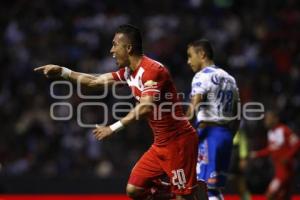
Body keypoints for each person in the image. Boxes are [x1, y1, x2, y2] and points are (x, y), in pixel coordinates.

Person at [34, 24, 207, 200]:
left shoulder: (153, 71)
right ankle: (182, 188)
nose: (111, 50)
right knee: (134, 189)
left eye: (115, 44)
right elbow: (95, 81)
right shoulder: (128, 73)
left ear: (129, 47)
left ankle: (187, 191)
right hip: (160, 144)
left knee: (182, 197)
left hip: (178, 144)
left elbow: (146, 106)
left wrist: (113, 128)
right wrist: (63, 72)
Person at [185, 39, 240, 200]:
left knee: (202, 187)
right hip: (225, 136)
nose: (188, 62)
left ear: (202, 54)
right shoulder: (229, 78)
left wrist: (179, 133)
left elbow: (193, 108)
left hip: (208, 134)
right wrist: (230, 136)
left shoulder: (201, 76)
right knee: (214, 190)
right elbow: (237, 114)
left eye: (190, 56)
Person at [250, 110, 300, 200]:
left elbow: (297, 143)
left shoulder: (284, 130)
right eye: (265, 119)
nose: (266, 121)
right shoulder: (270, 133)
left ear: (276, 119)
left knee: (269, 194)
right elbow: (270, 149)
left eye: (268, 119)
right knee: (283, 196)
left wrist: (288, 157)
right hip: (278, 169)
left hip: (285, 170)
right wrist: (257, 154)